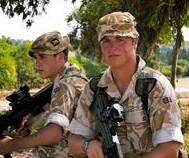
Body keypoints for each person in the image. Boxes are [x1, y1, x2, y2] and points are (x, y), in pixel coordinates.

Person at [68, 12, 184, 158]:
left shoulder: (154, 85)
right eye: (106, 40)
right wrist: (88, 145)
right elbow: (73, 141)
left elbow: (170, 148)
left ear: (134, 42)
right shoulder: (94, 88)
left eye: (120, 39)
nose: (112, 47)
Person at [0, 31, 87, 158]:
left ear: (61, 57)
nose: (37, 62)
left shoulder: (66, 84)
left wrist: (11, 145)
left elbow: (53, 134)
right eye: (36, 57)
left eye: (43, 57)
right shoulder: (71, 76)